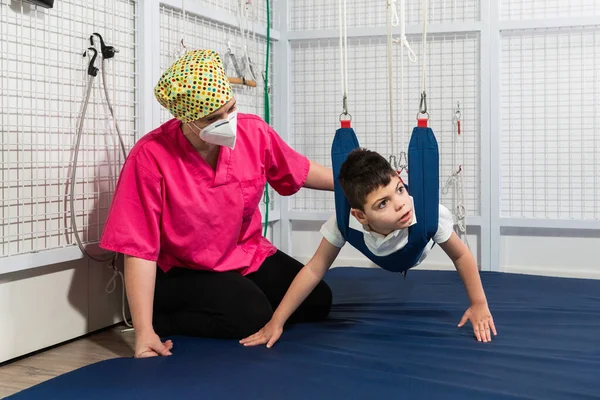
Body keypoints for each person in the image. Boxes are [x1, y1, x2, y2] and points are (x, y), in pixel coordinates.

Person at [99, 49, 334, 358]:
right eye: (213, 119)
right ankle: (165, 316)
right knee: (253, 315)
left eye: (231, 109)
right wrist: (144, 332)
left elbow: (301, 171)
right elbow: (138, 248)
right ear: (187, 118)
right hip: (185, 269)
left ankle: (234, 296)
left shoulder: (253, 132)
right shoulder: (150, 157)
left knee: (317, 300)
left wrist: (362, 185)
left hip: (244, 254)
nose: (227, 122)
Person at [241, 148, 497, 348]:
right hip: (382, 250)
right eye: (383, 203)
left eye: (399, 189)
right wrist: (277, 321)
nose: (400, 204)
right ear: (360, 215)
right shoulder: (344, 221)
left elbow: (461, 254)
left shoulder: (428, 215)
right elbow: (314, 269)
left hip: (416, 248)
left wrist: (479, 303)